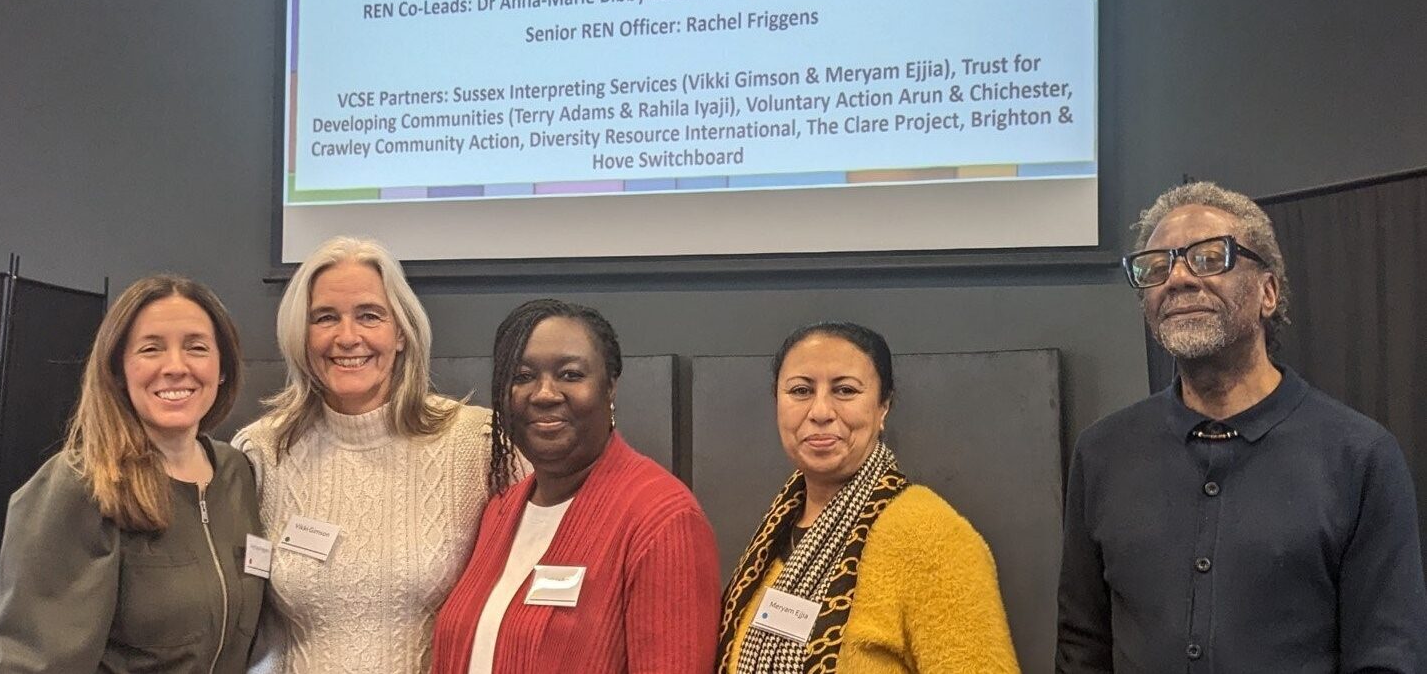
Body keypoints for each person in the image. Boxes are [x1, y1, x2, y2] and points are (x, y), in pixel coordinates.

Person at [1056, 182, 1427, 672]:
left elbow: (1387, 655)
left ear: (1267, 292)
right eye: (1156, 266)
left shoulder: (1360, 457)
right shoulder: (1102, 453)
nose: (1178, 278)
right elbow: (1081, 647)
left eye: (1210, 258)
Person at [233, 236, 493, 673]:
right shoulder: (261, 452)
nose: (347, 337)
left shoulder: (476, 444)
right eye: (325, 318)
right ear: (302, 336)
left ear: (401, 333)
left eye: (369, 316)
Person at [431, 298, 720, 673]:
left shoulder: (662, 520)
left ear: (609, 387)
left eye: (570, 375)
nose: (544, 393)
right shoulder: (500, 510)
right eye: (522, 376)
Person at [0, 275, 262, 672]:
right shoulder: (80, 486)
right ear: (118, 370)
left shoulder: (236, 474)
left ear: (222, 367)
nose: (176, 367)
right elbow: (31, 663)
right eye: (151, 348)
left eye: (197, 347)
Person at [718, 321, 1020, 673]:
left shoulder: (930, 537)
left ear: (883, 407)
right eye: (801, 390)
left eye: (845, 390)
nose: (820, 411)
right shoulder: (774, 536)